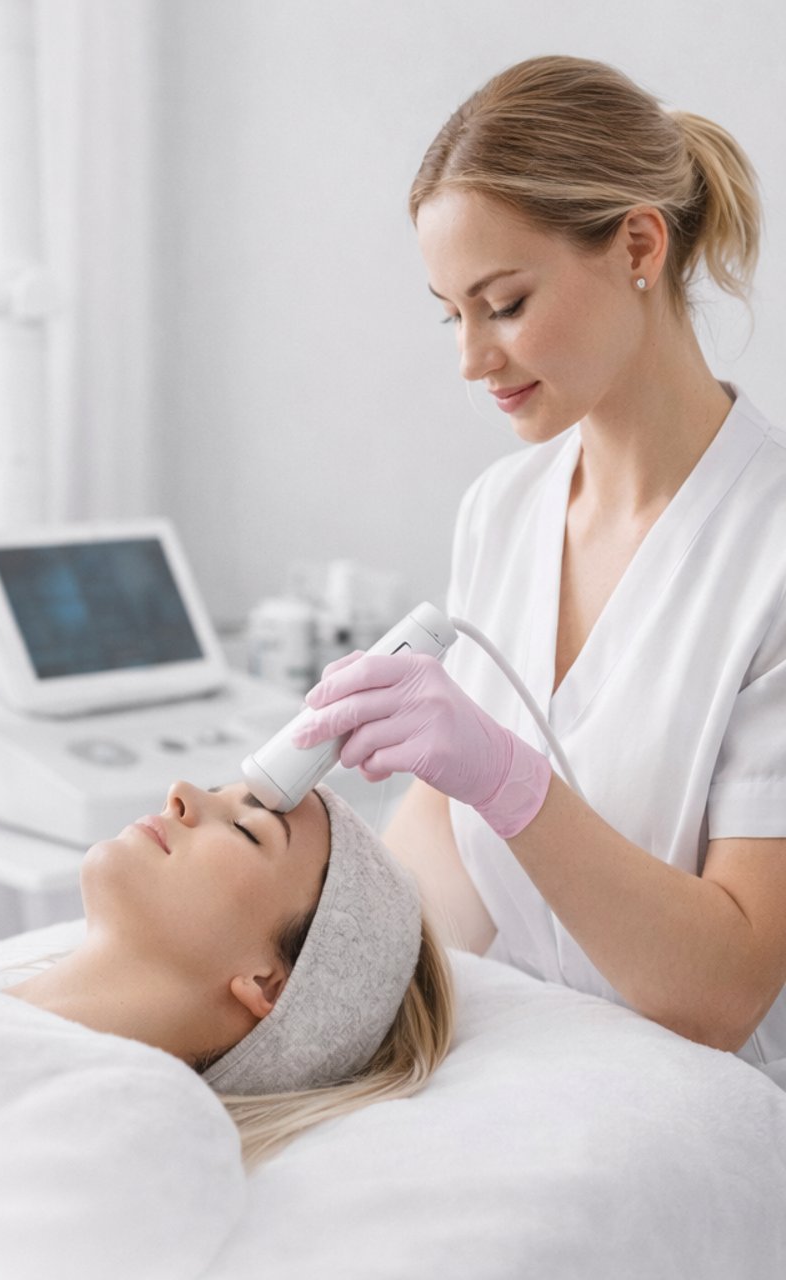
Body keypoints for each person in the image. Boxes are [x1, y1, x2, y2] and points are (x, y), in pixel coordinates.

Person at [293, 55, 786, 1084]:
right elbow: (450, 864)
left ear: (639, 244)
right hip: (535, 1081)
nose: (472, 359)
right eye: (450, 313)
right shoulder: (504, 511)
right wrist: (306, 954)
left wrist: (508, 779)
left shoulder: (770, 548)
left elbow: (727, 987)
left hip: (719, 1123)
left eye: (504, 302)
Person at [1, 780, 453, 1166]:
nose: (180, 792)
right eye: (218, 792)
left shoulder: (88, 1148)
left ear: (268, 986)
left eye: (246, 830)